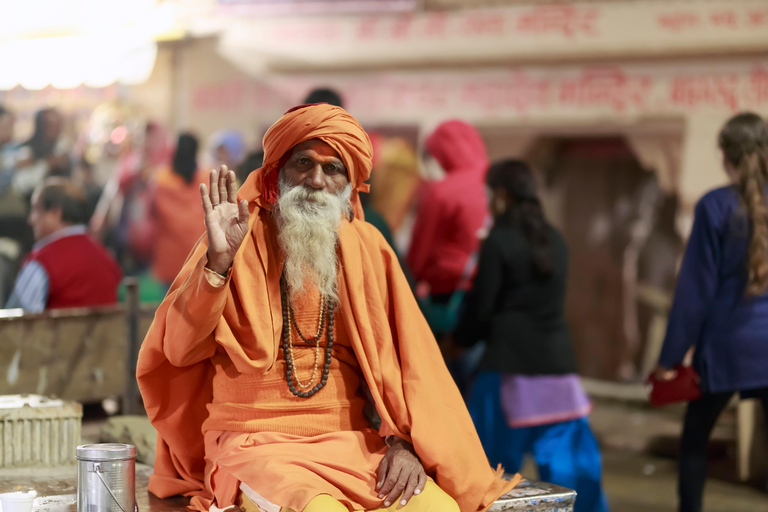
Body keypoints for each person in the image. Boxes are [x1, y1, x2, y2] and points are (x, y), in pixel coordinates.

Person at [137, 104, 519, 512]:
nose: (316, 180)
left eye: (333, 168)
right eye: (303, 163)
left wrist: (402, 442)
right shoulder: (234, 240)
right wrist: (218, 264)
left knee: (439, 510)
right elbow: (178, 350)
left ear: (348, 183)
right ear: (277, 172)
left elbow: (409, 369)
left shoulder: (370, 249)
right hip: (255, 443)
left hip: (351, 441)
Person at [455, 160, 608, 512]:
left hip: (507, 374)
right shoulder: (555, 238)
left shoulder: (498, 239)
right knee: (573, 477)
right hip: (558, 375)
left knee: (487, 474)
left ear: (502, 195)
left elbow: (480, 310)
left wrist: (458, 339)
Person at [654, 112, 768, 512]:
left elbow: (694, 292)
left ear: (726, 156)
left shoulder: (716, 206)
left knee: (695, 439)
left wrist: (670, 358)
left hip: (725, 348)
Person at [406, 120, 489, 334]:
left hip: (451, 296)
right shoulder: (496, 182)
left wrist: (410, 279)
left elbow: (421, 252)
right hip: (496, 295)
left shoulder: (441, 192)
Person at [5, 178, 121, 313]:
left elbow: (12, 323)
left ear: (56, 213)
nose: (31, 219)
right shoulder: (107, 260)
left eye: (36, 209)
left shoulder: (41, 264)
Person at [147, 133, 207, 286]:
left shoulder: (160, 180)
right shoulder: (206, 178)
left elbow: (151, 213)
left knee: (167, 307)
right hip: (198, 258)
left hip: (169, 260)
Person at [14, 108, 71, 196]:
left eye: (57, 124)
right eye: (49, 124)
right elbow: (23, 184)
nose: (55, 128)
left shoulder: (62, 146)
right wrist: (46, 164)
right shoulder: (27, 149)